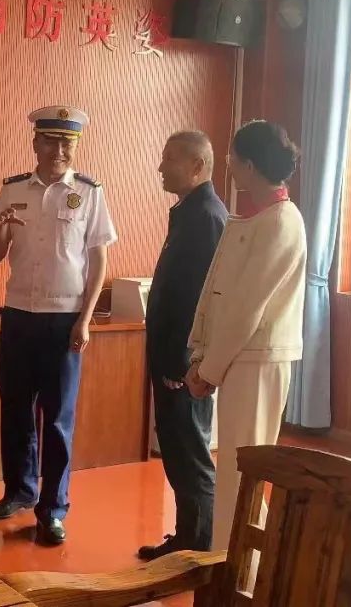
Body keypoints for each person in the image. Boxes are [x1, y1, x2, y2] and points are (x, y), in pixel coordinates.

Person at [0, 105, 117, 546]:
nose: (59, 151)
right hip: (19, 314)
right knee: (15, 409)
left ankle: (53, 509)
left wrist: (85, 319)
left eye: (67, 143)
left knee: (57, 418)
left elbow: (98, 261)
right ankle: (19, 491)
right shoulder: (13, 189)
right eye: (51, 141)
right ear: (35, 143)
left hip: (64, 319)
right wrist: (2, 230)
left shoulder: (89, 193)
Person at [184, 119, 306, 550]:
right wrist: (201, 354)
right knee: (234, 469)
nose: (230, 166)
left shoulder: (281, 222)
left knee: (244, 470)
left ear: (250, 165)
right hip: (238, 357)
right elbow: (219, 296)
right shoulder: (255, 218)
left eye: (233, 159)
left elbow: (246, 308)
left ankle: (238, 568)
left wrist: (209, 370)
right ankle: (228, 560)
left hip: (257, 359)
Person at [137, 131, 227, 561]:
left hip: (182, 363)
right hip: (171, 360)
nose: (161, 167)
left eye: (170, 159)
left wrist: (179, 361)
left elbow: (197, 300)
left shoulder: (206, 217)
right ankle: (188, 538)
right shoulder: (189, 213)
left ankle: (199, 549)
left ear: (197, 166)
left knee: (190, 454)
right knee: (177, 451)